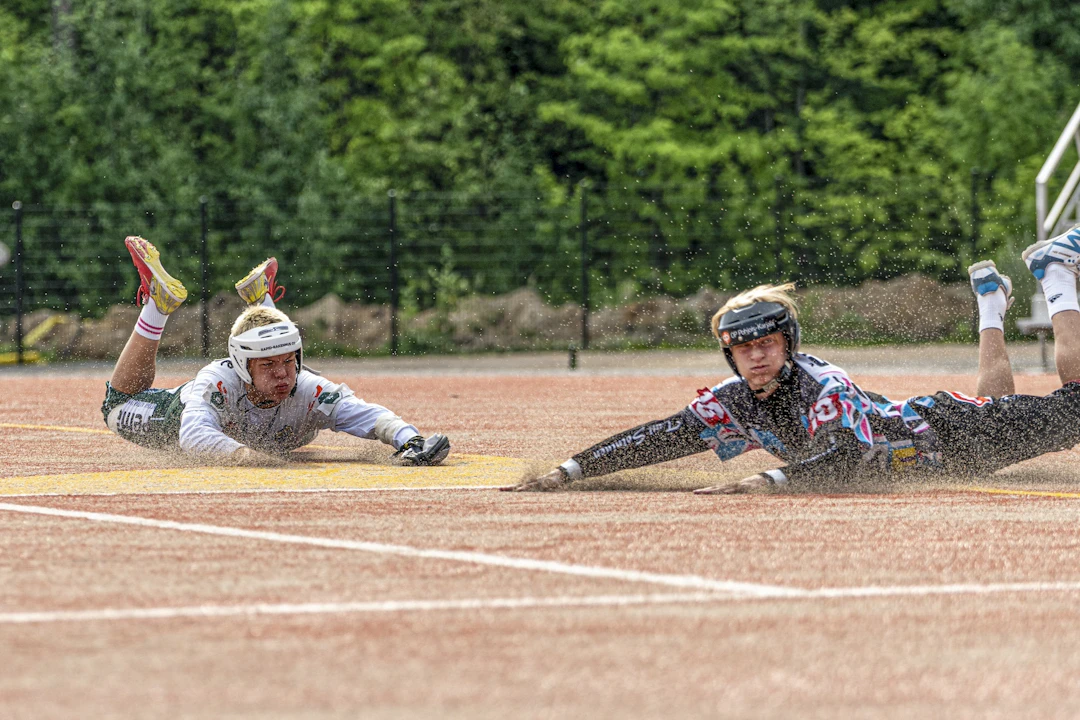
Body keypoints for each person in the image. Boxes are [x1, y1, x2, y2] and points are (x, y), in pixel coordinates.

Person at [504, 230, 1080, 493]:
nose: (756, 357)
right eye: (743, 349)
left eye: (766, 344)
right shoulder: (731, 402)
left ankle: (1056, 279)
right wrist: (569, 471)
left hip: (950, 431)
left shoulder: (818, 384)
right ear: (730, 355)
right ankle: (989, 304)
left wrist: (768, 480)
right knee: (1004, 403)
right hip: (941, 447)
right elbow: (663, 437)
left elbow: (845, 454)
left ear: (787, 342)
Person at [102, 236, 450, 466]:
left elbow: (366, 415)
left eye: (289, 361)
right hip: (170, 413)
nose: (283, 374)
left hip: (264, 431)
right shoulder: (217, 384)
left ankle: (262, 304)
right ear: (241, 365)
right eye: (268, 365)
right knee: (114, 407)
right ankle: (157, 308)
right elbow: (194, 436)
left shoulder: (308, 388)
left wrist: (410, 440)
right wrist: (252, 459)